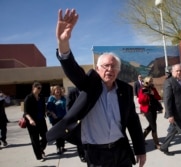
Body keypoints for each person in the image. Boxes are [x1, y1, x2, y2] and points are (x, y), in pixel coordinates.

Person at [46, 9, 146, 167]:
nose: (109, 70)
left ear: (118, 70)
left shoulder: (125, 90)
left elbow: (133, 121)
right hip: (96, 155)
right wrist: (63, 43)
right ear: (98, 69)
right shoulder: (89, 86)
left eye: (113, 66)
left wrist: (140, 149)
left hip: (121, 151)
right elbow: (73, 70)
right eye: (105, 66)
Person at [23, 82, 48, 162]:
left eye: (40, 88)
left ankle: (40, 149)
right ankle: (39, 156)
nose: (40, 90)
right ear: (33, 88)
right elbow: (26, 112)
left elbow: (43, 107)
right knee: (35, 139)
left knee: (45, 137)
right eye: (38, 88)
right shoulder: (28, 98)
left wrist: (47, 112)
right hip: (32, 122)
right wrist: (30, 120)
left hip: (41, 120)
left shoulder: (41, 97)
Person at [138, 76, 161, 149]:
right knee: (153, 126)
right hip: (147, 110)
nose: (151, 82)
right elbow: (140, 101)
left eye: (151, 81)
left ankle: (141, 139)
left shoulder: (153, 89)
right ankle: (156, 143)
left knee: (151, 125)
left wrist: (153, 93)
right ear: (146, 82)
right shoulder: (142, 90)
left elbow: (159, 97)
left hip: (154, 109)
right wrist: (145, 94)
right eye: (150, 81)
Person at [66, 87, 86, 162]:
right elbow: (68, 107)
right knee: (79, 138)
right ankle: (82, 155)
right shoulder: (72, 91)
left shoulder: (88, 89)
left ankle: (87, 153)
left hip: (88, 119)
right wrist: (71, 119)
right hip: (77, 120)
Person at [47, 85, 67, 154]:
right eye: (56, 90)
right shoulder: (51, 98)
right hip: (55, 118)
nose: (58, 91)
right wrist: (53, 114)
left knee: (63, 133)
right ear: (53, 91)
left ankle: (62, 146)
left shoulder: (63, 98)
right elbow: (49, 108)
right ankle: (58, 147)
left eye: (59, 89)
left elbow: (66, 106)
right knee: (57, 133)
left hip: (63, 117)